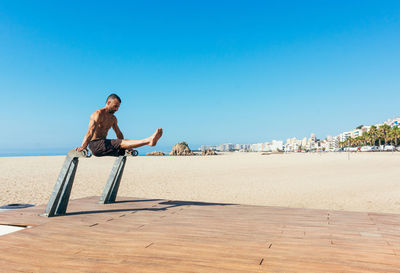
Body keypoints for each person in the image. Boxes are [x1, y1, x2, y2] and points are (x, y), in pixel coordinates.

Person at [75, 94, 163, 156]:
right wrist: (83, 146)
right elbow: (90, 132)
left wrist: (128, 147)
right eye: (115, 106)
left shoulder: (113, 118)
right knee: (120, 143)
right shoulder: (98, 114)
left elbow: (119, 134)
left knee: (123, 143)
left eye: (118, 107)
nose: (117, 109)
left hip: (105, 146)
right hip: (95, 145)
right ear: (108, 103)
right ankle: (148, 141)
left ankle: (147, 141)